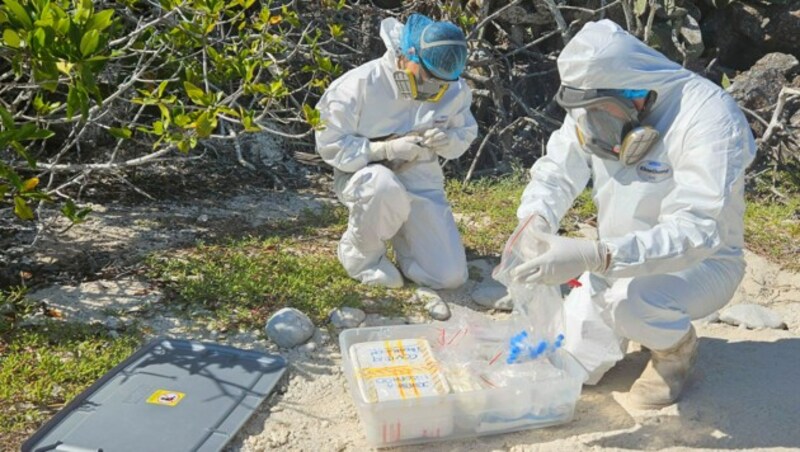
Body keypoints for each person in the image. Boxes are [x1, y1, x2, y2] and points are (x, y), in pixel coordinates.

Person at [509, 20, 756, 409]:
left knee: (633, 301)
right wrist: (535, 220)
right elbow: (555, 172)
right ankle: (639, 322)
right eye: (581, 113)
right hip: (613, 263)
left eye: (598, 114)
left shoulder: (709, 117)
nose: (589, 128)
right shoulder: (592, 102)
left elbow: (698, 231)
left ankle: (675, 352)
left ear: (635, 96)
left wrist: (597, 255)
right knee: (567, 371)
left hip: (703, 264)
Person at [315, 14, 477, 289]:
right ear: (407, 54)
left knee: (448, 277)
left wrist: (448, 140)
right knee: (382, 187)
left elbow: (465, 132)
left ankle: (410, 252)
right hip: (365, 175)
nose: (432, 89)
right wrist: (384, 149)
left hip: (419, 175)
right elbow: (331, 144)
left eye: (441, 84)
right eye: (426, 78)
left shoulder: (455, 89)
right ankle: (362, 256)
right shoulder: (357, 85)